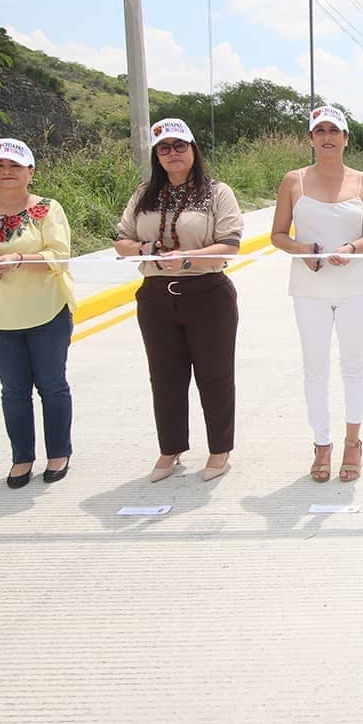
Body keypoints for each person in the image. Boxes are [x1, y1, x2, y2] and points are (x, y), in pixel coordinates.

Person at [114, 118, 244, 483]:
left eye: (179, 146)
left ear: (193, 149)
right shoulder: (144, 195)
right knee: (165, 377)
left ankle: (220, 449)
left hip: (207, 294)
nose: (173, 154)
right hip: (156, 298)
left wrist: (187, 258)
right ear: (157, 154)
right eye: (164, 148)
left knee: (214, 375)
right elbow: (121, 241)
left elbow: (230, 245)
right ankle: (170, 449)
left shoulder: (217, 193)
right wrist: (143, 249)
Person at [0, 138, 77, 489]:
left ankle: (59, 453)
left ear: (30, 172)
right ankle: (22, 457)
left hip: (46, 311)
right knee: (13, 390)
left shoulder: (47, 209)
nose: (7, 173)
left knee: (52, 386)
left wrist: (19, 259)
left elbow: (60, 255)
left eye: (15, 167)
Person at [271, 106, 363, 483]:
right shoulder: (293, 180)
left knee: (354, 365)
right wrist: (302, 251)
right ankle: (322, 444)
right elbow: (278, 235)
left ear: (346, 138)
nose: (327, 137)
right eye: (319, 131)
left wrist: (351, 249)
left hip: (355, 287)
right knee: (314, 368)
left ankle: (353, 442)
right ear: (311, 139)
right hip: (309, 289)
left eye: (334, 130)